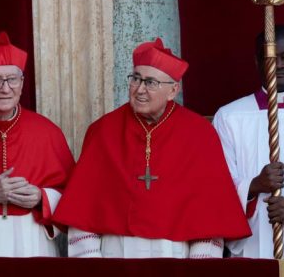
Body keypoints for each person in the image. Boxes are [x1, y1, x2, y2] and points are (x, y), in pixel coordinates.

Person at [53, 37, 250, 258]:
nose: (140, 89)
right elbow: (83, 211)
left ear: (173, 90)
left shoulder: (199, 134)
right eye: (135, 79)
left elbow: (209, 217)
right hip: (115, 256)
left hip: (176, 257)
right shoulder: (103, 131)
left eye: (151, 82)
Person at [0, 31, 74, 257]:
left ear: (22, 83)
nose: (5, 88)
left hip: (33, 241)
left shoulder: (47, 131)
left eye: (12, 79)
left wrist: (42, 198)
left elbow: (74, 196)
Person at [214, 25, 284, 258]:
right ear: (257, 62)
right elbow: (215, 187)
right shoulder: (230, 117)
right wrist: (254, 186)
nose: (279, 65)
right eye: (270, 58)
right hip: (254, 247)